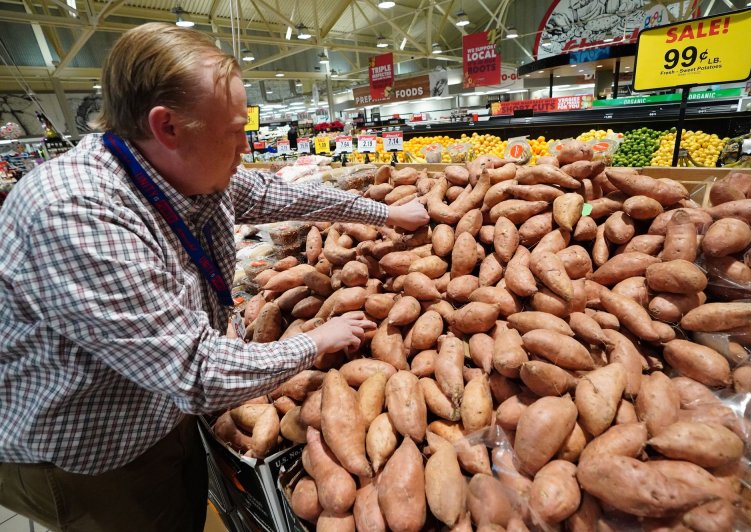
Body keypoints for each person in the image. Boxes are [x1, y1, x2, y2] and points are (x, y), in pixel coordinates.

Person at [0, 22, 429, 532]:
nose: (245, 145)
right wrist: (315, 342)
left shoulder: (181, 169)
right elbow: (194, 373)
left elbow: (280, 195)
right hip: (89, 452)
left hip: (157, 410)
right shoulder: (75, 214)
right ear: (168, 127)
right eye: (234, 130)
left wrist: (382, 214)